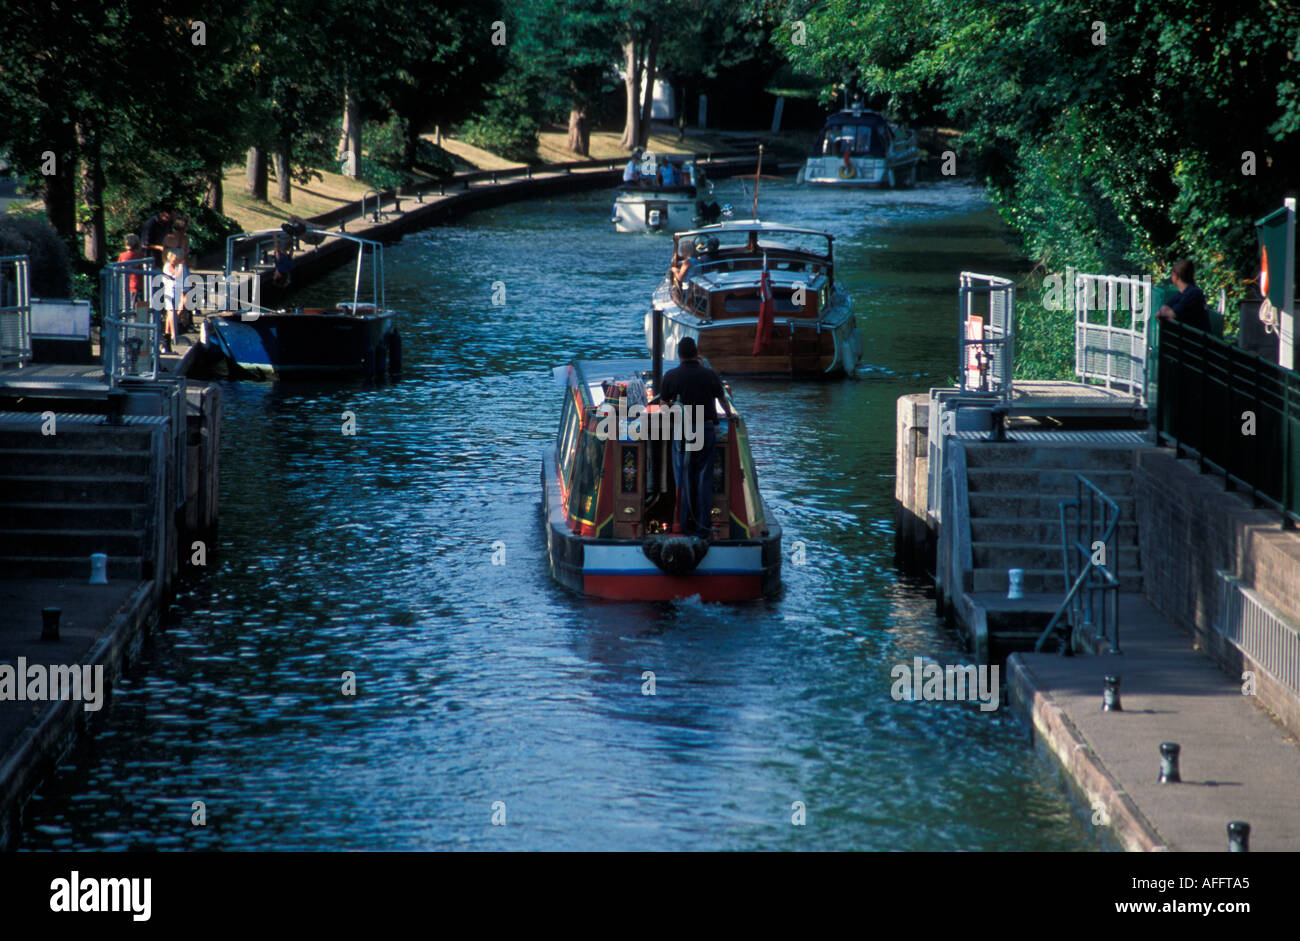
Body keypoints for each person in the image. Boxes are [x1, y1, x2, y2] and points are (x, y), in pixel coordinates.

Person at [655, 336, 727, 538]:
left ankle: (683, 525)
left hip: (682, 432)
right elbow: (722, 399)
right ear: (696, 353)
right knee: (704, 479)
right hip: (706, 430)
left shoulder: (671, 376)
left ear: (679, 355)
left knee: (683, 478)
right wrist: (729, 415)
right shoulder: (709, 374)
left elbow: (662, 404)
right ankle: (703, 527)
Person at [1156, 259, 1211, 332]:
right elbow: (1164, 308)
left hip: (1195, 340)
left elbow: (1172, 314)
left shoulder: (1193, 293)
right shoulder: (1182, 293)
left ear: (1176, 276)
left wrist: (1164, 314)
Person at [159, 248, 187, 354]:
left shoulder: (171, 265)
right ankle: (174, 335)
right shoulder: (169, 265)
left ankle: (168, 333)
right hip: (171, 291)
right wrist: (181, 266)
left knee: (170, 313)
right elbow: (178, 275)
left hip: (174, 291)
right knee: (172, 313)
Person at [116, 234, 145, 311]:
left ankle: (130, 321)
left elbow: (118, 268)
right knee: (142, 309)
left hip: (127, 286)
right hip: (141, 285)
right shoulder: (141, 256)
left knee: (128, 308)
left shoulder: (122, 256)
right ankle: (142, 321)